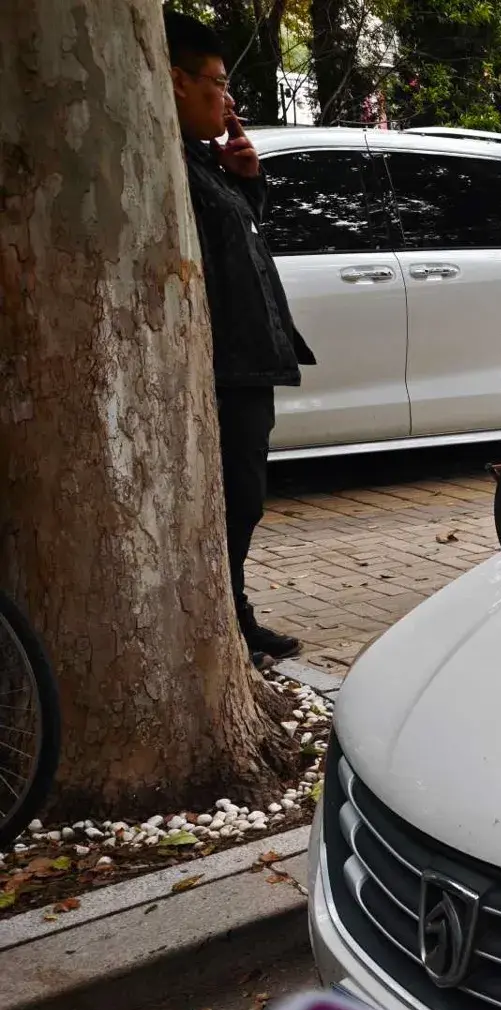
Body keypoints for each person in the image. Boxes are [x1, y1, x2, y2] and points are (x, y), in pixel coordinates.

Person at [164, 10, 313, 665]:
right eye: (216, 84)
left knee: (244, 500)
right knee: (235, 500)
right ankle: (229, 616)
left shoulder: (202, 162)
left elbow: (234, 246)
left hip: (248, 364)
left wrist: (248, 182)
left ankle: (234, 611)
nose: (226, 102)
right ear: (175, 81)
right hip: (222, 370)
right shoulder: (162, 168)